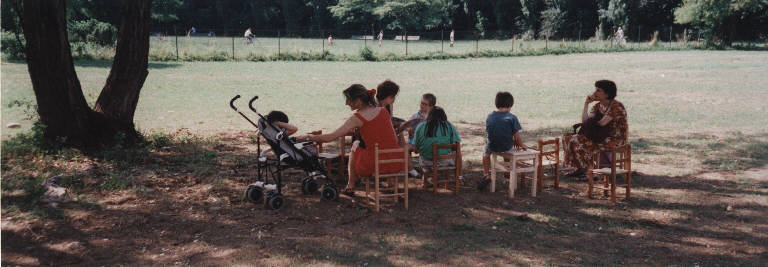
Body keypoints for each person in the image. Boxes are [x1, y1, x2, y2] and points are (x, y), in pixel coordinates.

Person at [295, 84, 403, 196]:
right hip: (396, 160)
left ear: (358, 101)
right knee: (360, 144)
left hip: (375, 164)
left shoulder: (357, 118)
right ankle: (353, 184)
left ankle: (350, 185)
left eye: (348, 99)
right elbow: (391, 137)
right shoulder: (383, 110)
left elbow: (330, 137)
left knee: (355, 145)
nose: (346, 103)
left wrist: (308, 137)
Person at [563, 80, 628, 177]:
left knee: (577, 140)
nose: (594, 93)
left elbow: (602, 124)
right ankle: (579, 167)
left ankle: (590, 172)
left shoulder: (616, 106)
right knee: (567, 137)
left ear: (607, 94)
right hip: (599, 135)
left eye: (598, 90)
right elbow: (585, 122)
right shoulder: (597, 106)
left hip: (613, 139)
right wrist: (586, 104)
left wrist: (588, 125)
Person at [477, 92, 529, 190]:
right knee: (508, 147)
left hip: (492, 146)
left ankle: (486, 174)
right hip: (506, 146)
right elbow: (517, 138)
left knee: (485, 153)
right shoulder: (512, 117)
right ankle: (507, 172)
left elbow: (490, 132)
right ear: (510, 105)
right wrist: (522, 145)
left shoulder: (490, 116)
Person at [410, 106, 461, 187]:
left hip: (426, 162)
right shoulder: (449, 126)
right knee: (458, 151)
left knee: (422, 157)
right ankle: (459, 176)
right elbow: (456, 145)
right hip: (444, 161)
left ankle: (428, 178)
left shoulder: (421, 126)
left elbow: (415, 149)